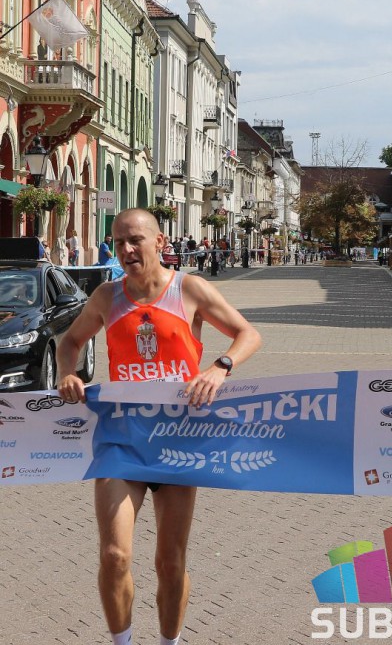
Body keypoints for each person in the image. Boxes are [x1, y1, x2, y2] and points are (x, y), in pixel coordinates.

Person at [56, 208, 261, 645]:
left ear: (160, 242)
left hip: (178, 443)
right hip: (122, 440)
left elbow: (248, 334)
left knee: (170, 563)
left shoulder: (189, 289)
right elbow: (70, 341)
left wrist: (220, 367)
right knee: (114, 556)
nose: (126, 250)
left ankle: (169, 641)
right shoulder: (106, 297)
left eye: (135, 240)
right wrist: (67, 373)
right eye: (119, 242)